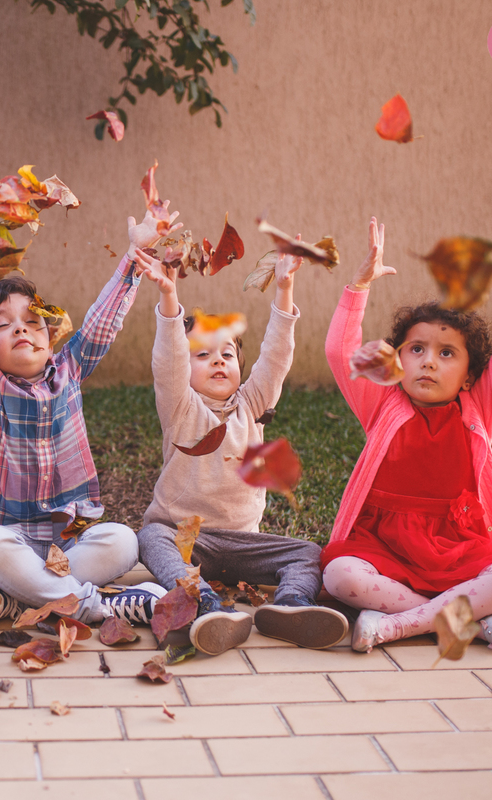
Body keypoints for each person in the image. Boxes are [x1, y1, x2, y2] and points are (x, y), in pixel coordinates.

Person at [0, 184, 168, 625]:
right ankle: (93, 606)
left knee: (122, 540)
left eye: (32, 322)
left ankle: (23, 599)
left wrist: (135, 256)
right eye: (3, 325)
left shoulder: (70, 369)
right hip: (10, 541)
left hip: (72, 543)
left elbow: (103, 322)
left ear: (49, 336)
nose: (22, 330)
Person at [321, 210, 492, 652]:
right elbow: (338, 349)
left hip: (457, 546)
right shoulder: (383, 400)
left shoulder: (478, 406)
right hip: (386, 544)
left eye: (446, 353)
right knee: (339, 575)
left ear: (468, 376)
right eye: (417, 349)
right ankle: (467, 621)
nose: (428, 361)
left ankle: (401, 624)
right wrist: (359, 285)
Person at [136, 228, 349, 655]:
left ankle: (291, 606)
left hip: (243, 543)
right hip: (184, 539)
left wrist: (285, 288)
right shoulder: (181, 406)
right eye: (203, 353)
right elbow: (169, 360)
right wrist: (169, 298)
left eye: (227, 353)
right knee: (149, 538)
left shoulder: (252, 403)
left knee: (308, 552)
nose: (217, 359)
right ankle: (206, 606)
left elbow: (275, 357)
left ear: (239, 365)